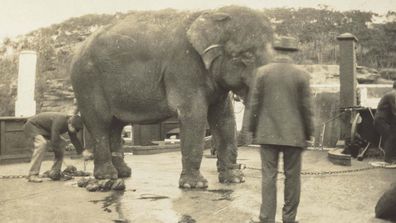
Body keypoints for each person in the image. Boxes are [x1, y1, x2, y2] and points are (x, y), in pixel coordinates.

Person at [248, 36, 314, 223]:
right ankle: (289, 219)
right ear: (292, 52)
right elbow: (307, 108)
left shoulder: (262, 72)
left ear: (276, 50)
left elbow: (254, 104)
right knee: (292, 178)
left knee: (268, 177)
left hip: (267, 134)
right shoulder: (302, 74)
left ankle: (266, 218)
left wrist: (252, 130)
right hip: (294, 135)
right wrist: (309, 134)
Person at [24, 112, 84, 182]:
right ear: (70, 124)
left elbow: (74, 139)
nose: (75, 131)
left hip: (45, 129)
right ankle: (32, 174)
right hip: (32, 126)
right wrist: (58, 155)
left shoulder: (70, 123)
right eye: (75, 129)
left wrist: (82, 152)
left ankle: (55, 173)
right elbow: (54, 140)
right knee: (42, 143)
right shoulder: (60, 120)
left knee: (62, 143)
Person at [374, 81, 396, 164]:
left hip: (384, 121)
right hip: (381, 121)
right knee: (391, 136)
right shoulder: (393, 94)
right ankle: (388, 159)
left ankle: (392, 157)